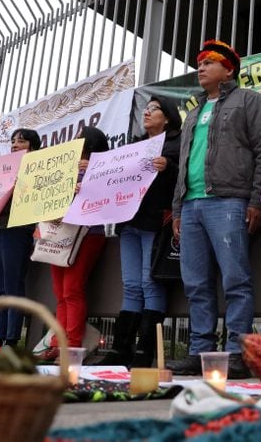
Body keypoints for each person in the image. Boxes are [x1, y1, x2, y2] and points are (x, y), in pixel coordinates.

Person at [166, 40, 261, 379]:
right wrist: (178, 209)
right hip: (192, 206)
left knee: (236, 279)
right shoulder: (193, 113)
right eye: (198, 63)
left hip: (229, 201)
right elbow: (183, 164)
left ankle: (238, 353)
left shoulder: (249, 101)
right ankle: (200, 352)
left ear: (228, 69)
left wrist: (257, 201)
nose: (200, 68)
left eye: (209, 62)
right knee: (195, 284)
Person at [97, 96, 182, 367]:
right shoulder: (133, 146)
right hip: (128, 221)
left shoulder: (175, 145)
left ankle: (145, 352)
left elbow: (184, 178)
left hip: (156, 220)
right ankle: (120, 350)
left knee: (150, 282)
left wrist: (168, 167)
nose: (147, 112)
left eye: (154, 109)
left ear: (167, 117)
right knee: (131, 285)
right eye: (146, 109)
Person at [36, 127, 109, 362]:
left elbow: (110, 197)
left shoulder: (103, 167)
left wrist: (91, 178)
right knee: (60, 293)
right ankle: (58, 343)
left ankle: (72, 345)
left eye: (79, 136)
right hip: (59, 233)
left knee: (72, 289)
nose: (75, 139)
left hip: (87, 234)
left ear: (89, 143)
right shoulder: (65, 166)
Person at [0, 128, 41, 346]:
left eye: (21, 141)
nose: (15, 144)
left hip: (17, 229)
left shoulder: (36, 168)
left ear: (33, 147)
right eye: (12, 141)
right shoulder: (3, 168)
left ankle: (11, 339)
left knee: (12, 285)